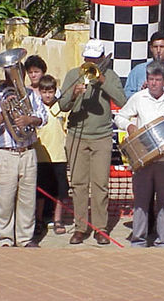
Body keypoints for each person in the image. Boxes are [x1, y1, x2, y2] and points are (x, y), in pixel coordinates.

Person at [59, 39, 127, 245]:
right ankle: (80, 227)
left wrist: (103, 81)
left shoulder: (111, 76)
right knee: (78, 184)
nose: (91, 62)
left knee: (100, 185)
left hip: (102, 137)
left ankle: (100, 228)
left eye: (95, 59)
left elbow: (123, 102)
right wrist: (73, 94)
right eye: (88, 59)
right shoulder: (73, 75)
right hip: (77, 135)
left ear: (102, 59)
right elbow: (62, 105)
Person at [115, 61, 164, 247]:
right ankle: (138, 240)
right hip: (143, 159)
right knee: (141, 201)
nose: (153, 83)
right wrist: (129, 126)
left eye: (158, 79)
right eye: (151, 79)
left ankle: (163, 241)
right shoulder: (138, 98)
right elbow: (119, 116)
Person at [0, 63, 46, 248]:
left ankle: (25, 238)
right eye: (12, 74)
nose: (16, 78)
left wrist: (29, 119)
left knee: (27, 199)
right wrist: (4, 114)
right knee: (4, 200)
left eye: (19, 74)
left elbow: (43, 117)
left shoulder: (31, 95)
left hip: (27, 151)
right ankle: (5, 239)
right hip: (4, 153)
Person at [33, 74, 70, 236]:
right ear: (39, 92)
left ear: (55, 91)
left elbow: (67, 129)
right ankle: (39, 219)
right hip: (41, 157)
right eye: (44, 92)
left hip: (59, 156)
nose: (47, 95)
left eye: (51, 91)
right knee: (41, 192)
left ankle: (57, 220)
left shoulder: (61, 108)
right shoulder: (36, 109)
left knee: (60, 192)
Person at [124, 31, 164, 98]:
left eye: (162, 47)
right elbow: (126, 94)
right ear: (151, 48)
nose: (158, 50)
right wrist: (142, 92)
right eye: (155, 47)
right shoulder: (138, 70)